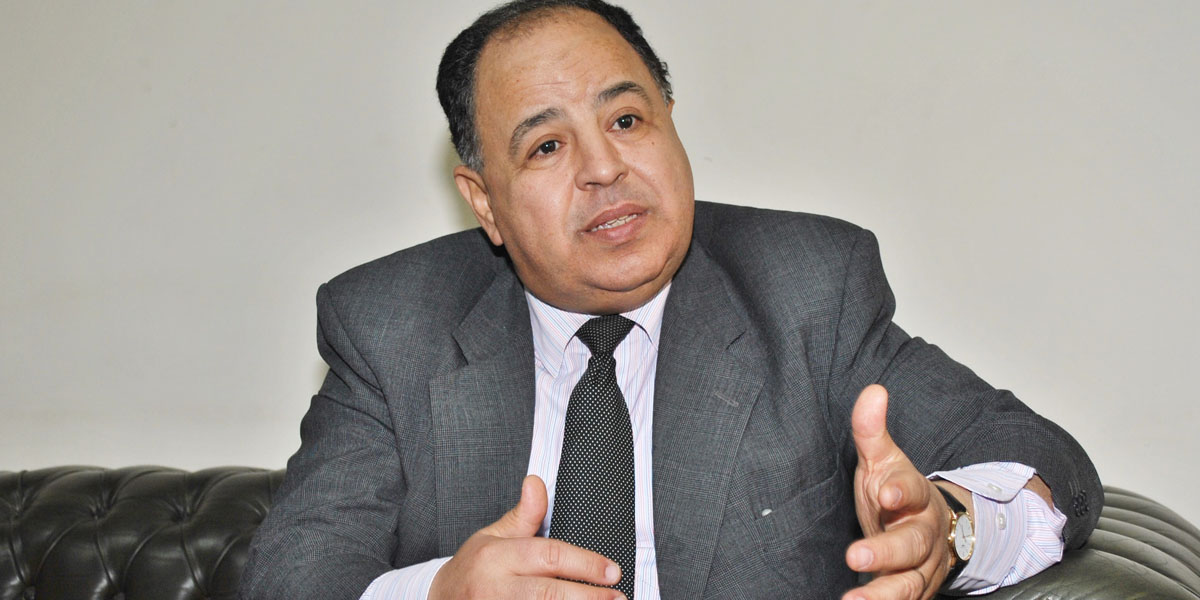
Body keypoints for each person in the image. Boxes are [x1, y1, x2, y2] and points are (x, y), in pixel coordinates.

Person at [240, 1, 1101, 599]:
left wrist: (949, 530)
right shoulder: (391, 327)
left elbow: (1036, 459)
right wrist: (440, 594)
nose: (604, 168)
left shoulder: (805, 286)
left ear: (671, 122)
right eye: (546, 147)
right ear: (484, 202)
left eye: (626, 121)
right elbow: (290, 575)